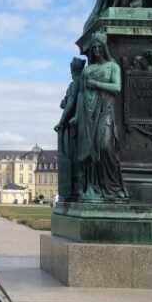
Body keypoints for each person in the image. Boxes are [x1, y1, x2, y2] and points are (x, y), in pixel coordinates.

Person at [76, 31, 127, 200]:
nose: (97, 49)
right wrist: (76, 116)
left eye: (99, 46)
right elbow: (80, 94)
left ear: (104, 48)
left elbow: (117, 87)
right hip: (87, 114)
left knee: (105, 146)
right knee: (89, 152)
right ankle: (93, 187)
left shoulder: (113, 67)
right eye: (94, 47)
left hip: (105, 110)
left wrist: (97, 84)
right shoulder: (87, 70)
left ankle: (112, 186)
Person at [55, 58, 86, 201]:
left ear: (74, 70)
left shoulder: (75, 84)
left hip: (73, 126)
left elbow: (71, 103)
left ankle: (76, 189)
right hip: (78, 123)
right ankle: (76, 189)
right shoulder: (80, 83)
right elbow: (68, 103)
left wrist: (61, 122)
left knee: (73, 158)